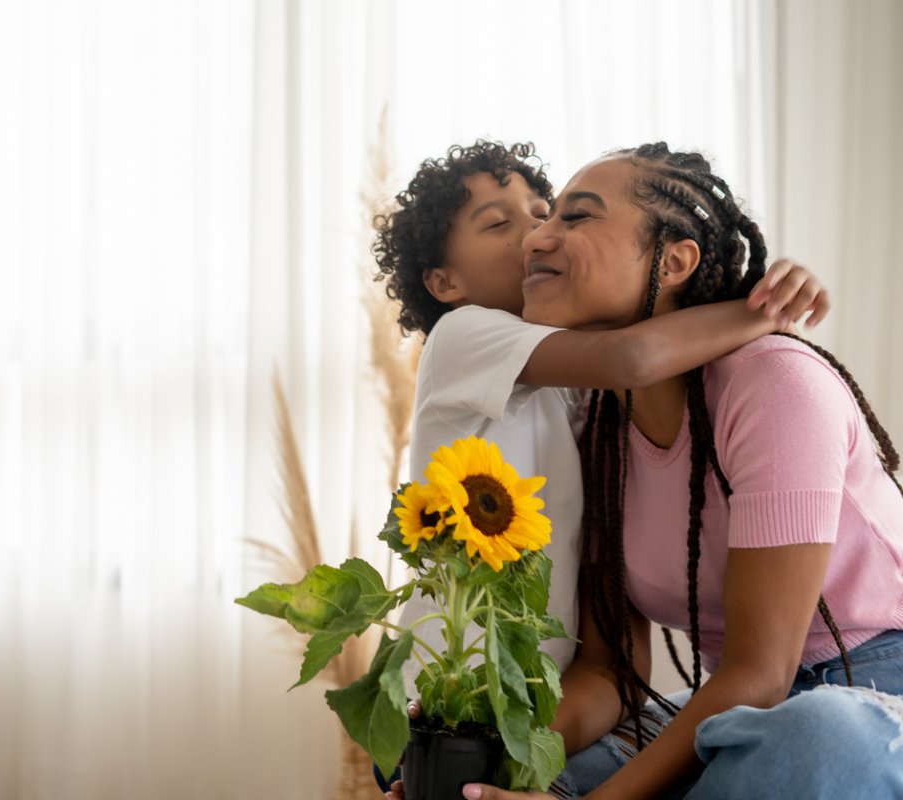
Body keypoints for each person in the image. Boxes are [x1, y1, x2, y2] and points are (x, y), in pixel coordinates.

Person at [441, 144, 903, 799]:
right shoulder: (597, 423)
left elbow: (762, 673)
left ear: (677, 260)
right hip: (738, 705)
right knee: (502, 779)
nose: (536, 238)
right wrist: (493, 745)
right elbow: (609, 671)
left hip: (870, 688)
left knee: (815, 737)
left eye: (574, 217)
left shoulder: (774, 382)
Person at [372, 141, 828, 682]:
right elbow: (632, 356)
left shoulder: (574, 375)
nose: (535, 235)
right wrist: (763, 308)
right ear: (446, 283)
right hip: (444, 678)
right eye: (498, 225)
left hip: (536, 694)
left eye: (543, 213)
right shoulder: (464, 335)